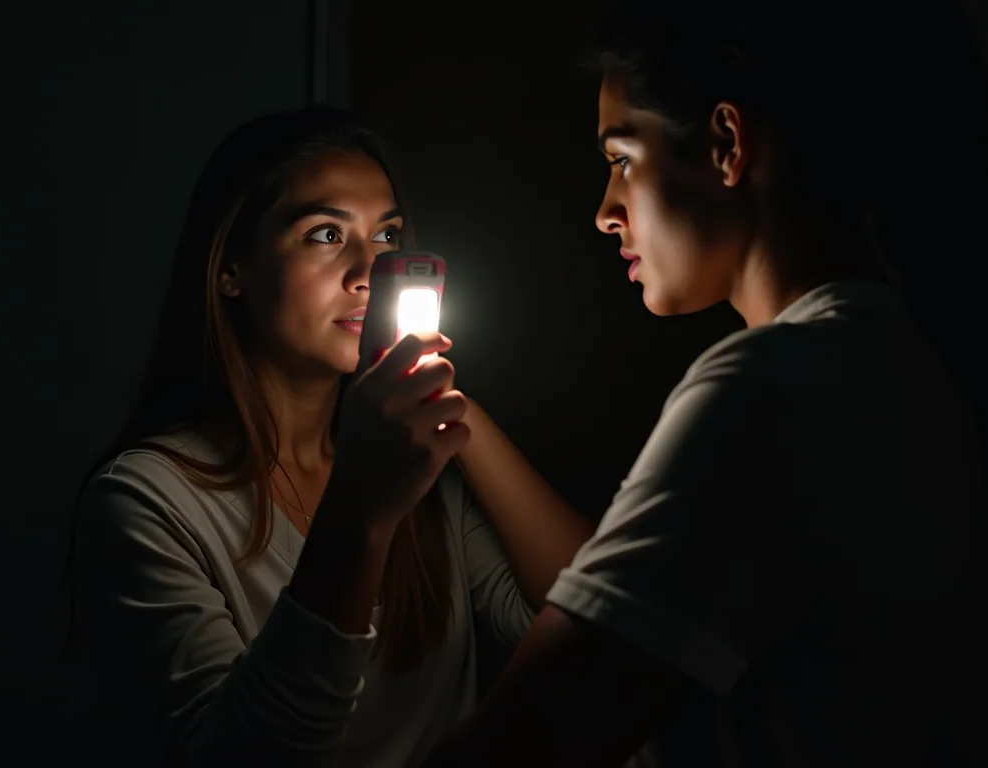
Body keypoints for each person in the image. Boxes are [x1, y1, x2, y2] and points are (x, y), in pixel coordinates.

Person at [423, 0, 988, 766]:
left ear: (726, 144)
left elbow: (522, 743)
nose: (607, 212)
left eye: (622, 160)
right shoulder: (896, 359)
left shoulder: (770, 389)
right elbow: (625, 595)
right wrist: (457, 412)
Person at [68, 107, 594, 766]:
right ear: (231, 268)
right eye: (324, 234)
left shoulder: (421, 472)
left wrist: (449, 400)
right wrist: (361, 511)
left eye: (387, 236)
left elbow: (590, 613)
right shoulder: (145, 503)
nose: (369, 273)